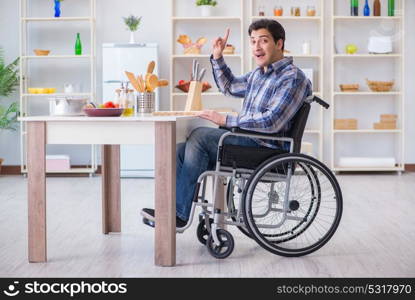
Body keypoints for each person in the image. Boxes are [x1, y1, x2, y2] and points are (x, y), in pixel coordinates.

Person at [141, 19, 312, 228]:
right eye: (252, 41)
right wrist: (217, 57)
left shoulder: (292, 78)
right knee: (181, 150)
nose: (256, 47)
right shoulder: (260, 74)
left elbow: (271, 122)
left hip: (267, 149)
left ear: (279, 43)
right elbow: (229, 87)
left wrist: (225, 120)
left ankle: (179, 215)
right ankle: (173, 211)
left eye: (263, 41)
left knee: (200, 136)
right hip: (249, 142)